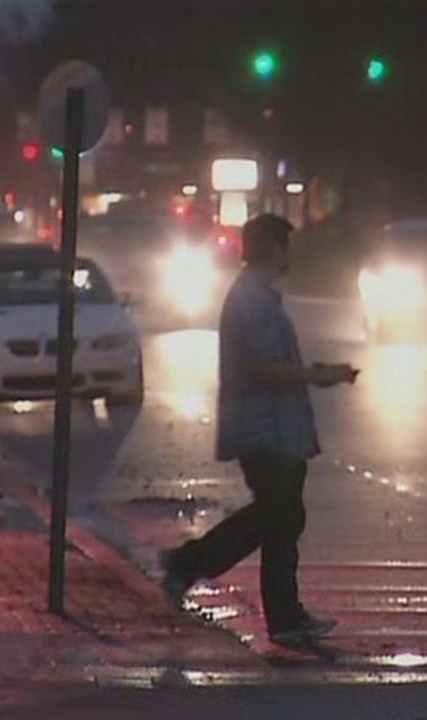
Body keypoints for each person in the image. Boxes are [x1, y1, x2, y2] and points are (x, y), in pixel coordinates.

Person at [158, 213, 358, 642]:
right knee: (279, 517)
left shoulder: (259, 297)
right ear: (271, 248)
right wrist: (318, 377)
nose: (290, 254)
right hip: (265, 430)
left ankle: (273, 610)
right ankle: (196, 569)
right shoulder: (251, 301)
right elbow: (265, 368)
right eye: (285, 244)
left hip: (273, 428)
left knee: (281, 519)